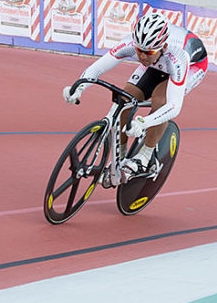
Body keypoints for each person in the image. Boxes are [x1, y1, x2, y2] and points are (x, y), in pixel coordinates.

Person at [62, 13, 208, 179]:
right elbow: (97, 68)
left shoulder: (178, 56)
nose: (142, 56)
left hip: (192, 66)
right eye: (139, 51)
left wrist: (144, 122)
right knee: (125, 100)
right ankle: (121, 158)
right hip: (158, 62)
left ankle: (145, 157)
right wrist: (79, 88)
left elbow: (174, 106)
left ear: (163, 47)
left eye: (148, 51)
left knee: (161, 101)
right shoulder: (132, 44)